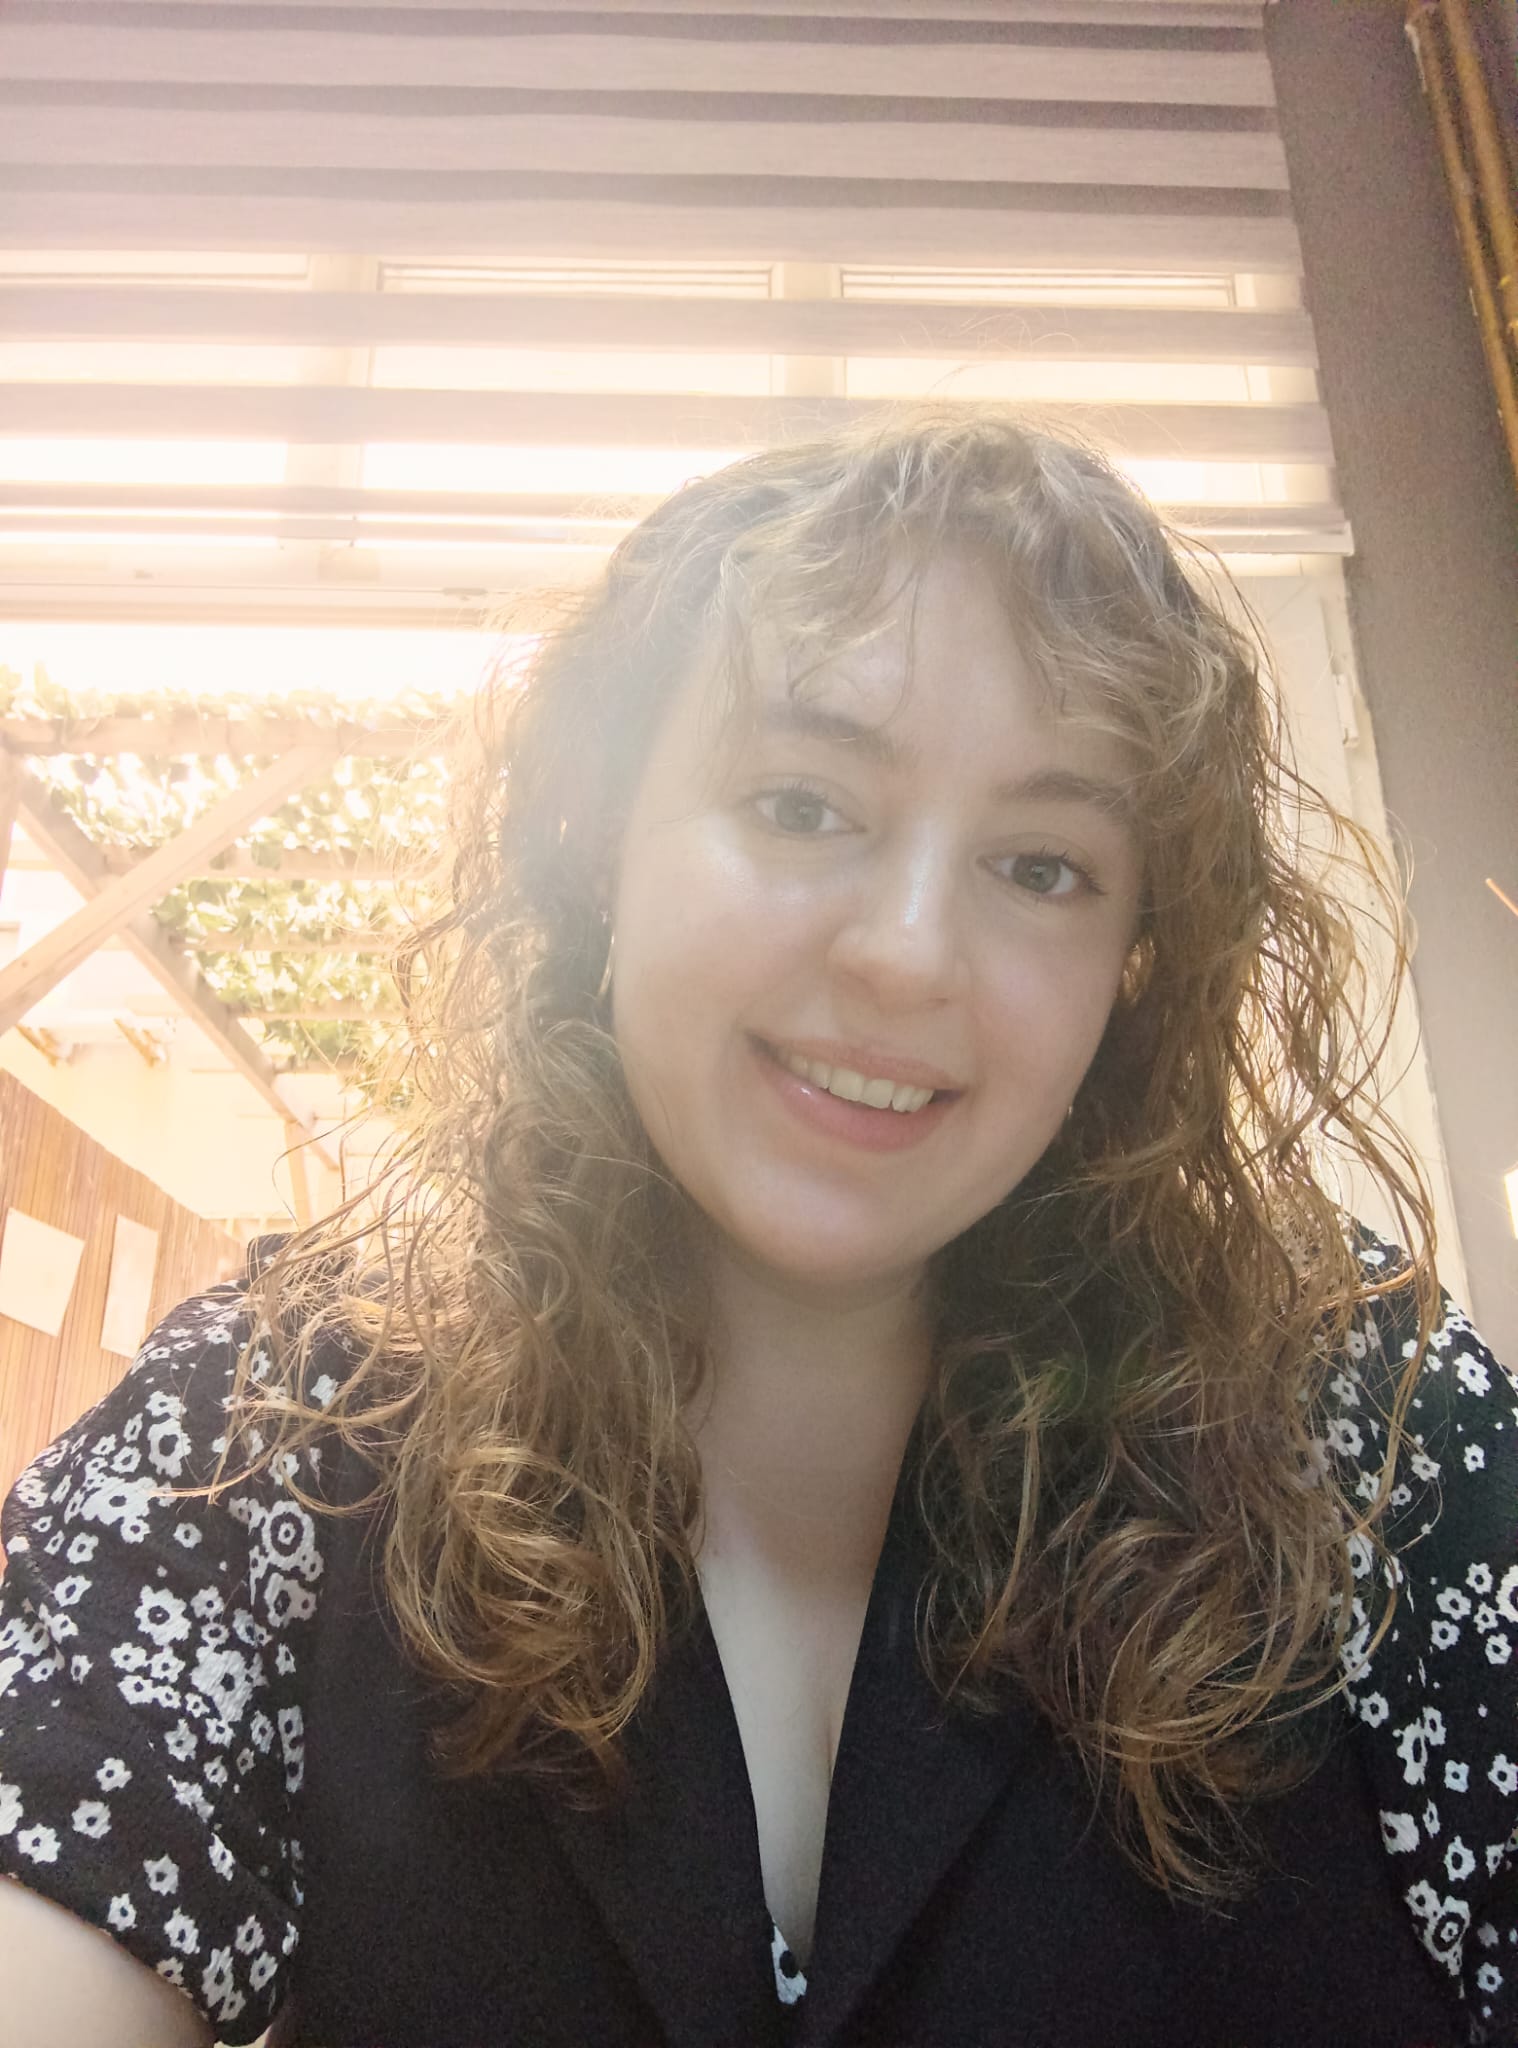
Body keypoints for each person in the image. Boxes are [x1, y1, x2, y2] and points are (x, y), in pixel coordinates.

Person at [1, 408, 1514, 2048]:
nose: (907, 954)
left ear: (1132, 972)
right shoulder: (278, 1424)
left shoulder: (1365, 1429)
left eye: (1039, 865)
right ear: (602, 849)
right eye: (801, 804)